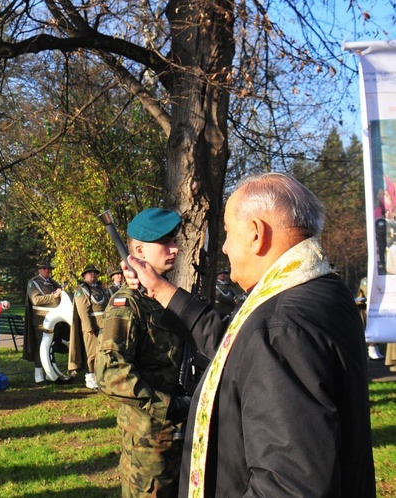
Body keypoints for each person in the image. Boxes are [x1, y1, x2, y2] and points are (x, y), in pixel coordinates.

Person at [123, 172, 376, 497]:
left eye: (228, 233)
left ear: (256, 234)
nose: (225, 247)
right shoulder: (319, 291)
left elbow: (289, 486)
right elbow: (238, 347)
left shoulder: (280, 326)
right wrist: (160, 290)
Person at [96, 208, 189, 498]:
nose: (175, 248)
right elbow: (110, 372)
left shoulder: (166, 296)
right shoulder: (127, 303)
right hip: (149, 438)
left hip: (182, 431)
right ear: (138, 250)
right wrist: (167, 406)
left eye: (174, 240)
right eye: (165, 242)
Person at [23, 262, 64, 383]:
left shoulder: (53, 283)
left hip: (54, 319)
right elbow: (35, 300)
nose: (47, 271)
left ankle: (49, 373)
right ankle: (39, 374)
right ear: (39, 270)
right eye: (44, 268)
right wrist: (53, 296)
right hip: (40, 320)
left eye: (49, 269)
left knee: (51, 347)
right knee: (40, 346)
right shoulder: (33, 283)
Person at [68, 265, 107, 390]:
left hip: (103, 323)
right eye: (89, 273)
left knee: (102, 351)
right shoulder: (81, 290)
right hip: (91, 325)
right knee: (91, 353)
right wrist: (88, 327)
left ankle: (100, 376)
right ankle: (90, 378)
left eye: (94, 273)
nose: (93, 275)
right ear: (84, 275)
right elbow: (83, 311)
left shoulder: (99, 288)